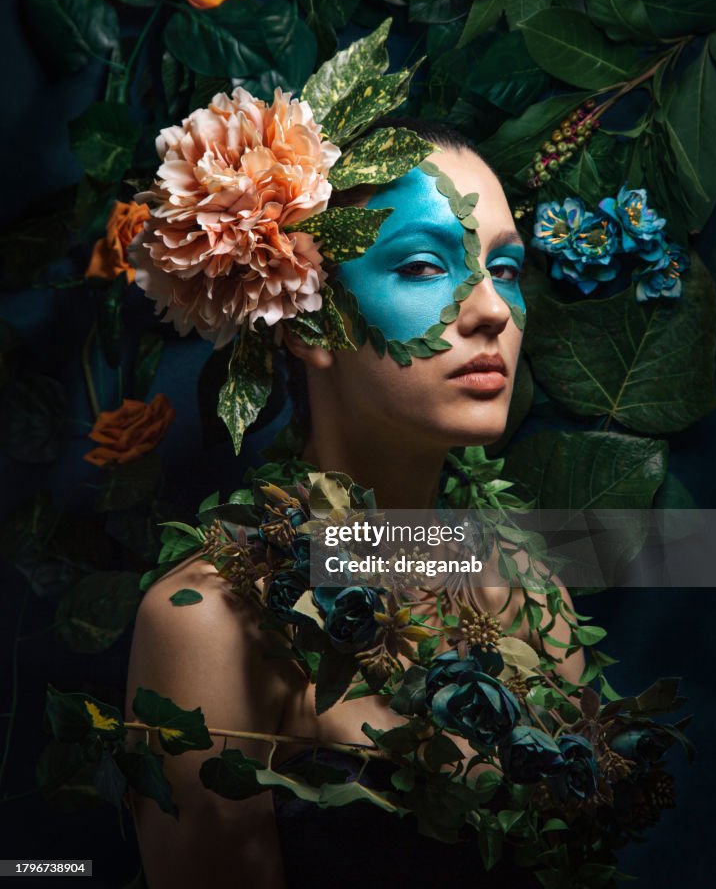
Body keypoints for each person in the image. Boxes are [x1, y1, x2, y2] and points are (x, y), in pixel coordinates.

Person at [124, 117, 585, 889]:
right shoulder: (211, 623)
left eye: (504, 268)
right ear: (309, 321)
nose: (494, 311)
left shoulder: (530, 594)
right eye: (421, 266)